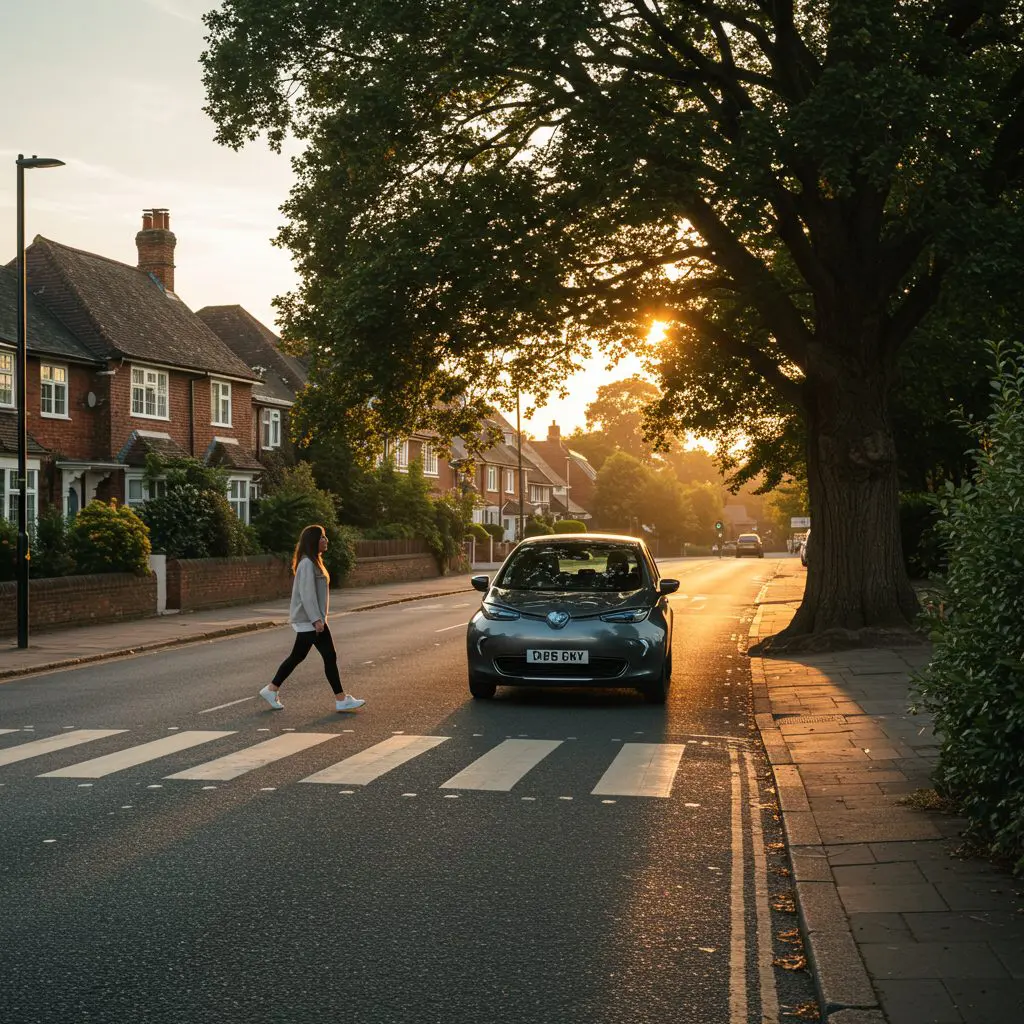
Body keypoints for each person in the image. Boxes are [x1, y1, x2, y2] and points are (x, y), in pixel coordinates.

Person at [259, 524, 365, 713]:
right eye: (322, 537)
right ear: (313, 541)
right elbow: (307, 594)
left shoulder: (313, 561)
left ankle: (271, 689)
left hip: (312, 619)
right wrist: (316, 619)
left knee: (300, 656)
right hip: (310, 620)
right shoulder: (307, 563)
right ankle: (341, 699)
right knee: (327, 656)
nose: (326, 540)